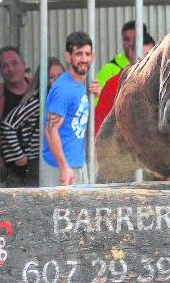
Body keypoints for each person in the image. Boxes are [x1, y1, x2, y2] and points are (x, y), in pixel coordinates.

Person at [41, 31, 96, 186]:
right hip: (59, 168)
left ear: (93, 56)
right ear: (68, 57)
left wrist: (95, 95)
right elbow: (51, 131)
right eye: (78, 54)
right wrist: (64, 165)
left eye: (87, 54)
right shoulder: (63, 88)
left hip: (77, 163)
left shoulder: (80, 84)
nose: (84, 59)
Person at [0, 57, 64, 187]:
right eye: (52, 77)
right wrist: (19, 155)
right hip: (37, 163)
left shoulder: (63, 99)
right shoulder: (38, 101)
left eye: (60, 76)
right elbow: (8, 124)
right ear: (44, 80)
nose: (57, 81)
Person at [95, 32, 156, 135]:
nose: (147, 63)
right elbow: (99, 129)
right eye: (143, 58)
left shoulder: (162, 84)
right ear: (131, 53)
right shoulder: (114, 85)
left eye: (151, 57)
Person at [96, 20, 148, 93]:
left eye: (136, 39)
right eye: (127, 39)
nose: (131, 43)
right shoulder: (108, 70)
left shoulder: (156, 66)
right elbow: (97, 102)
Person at [0, 47, 31, 119]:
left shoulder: (39, 88)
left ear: (24, 64)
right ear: (0, 71)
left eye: (14, 63)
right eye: (4, 65)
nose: (10, 69)